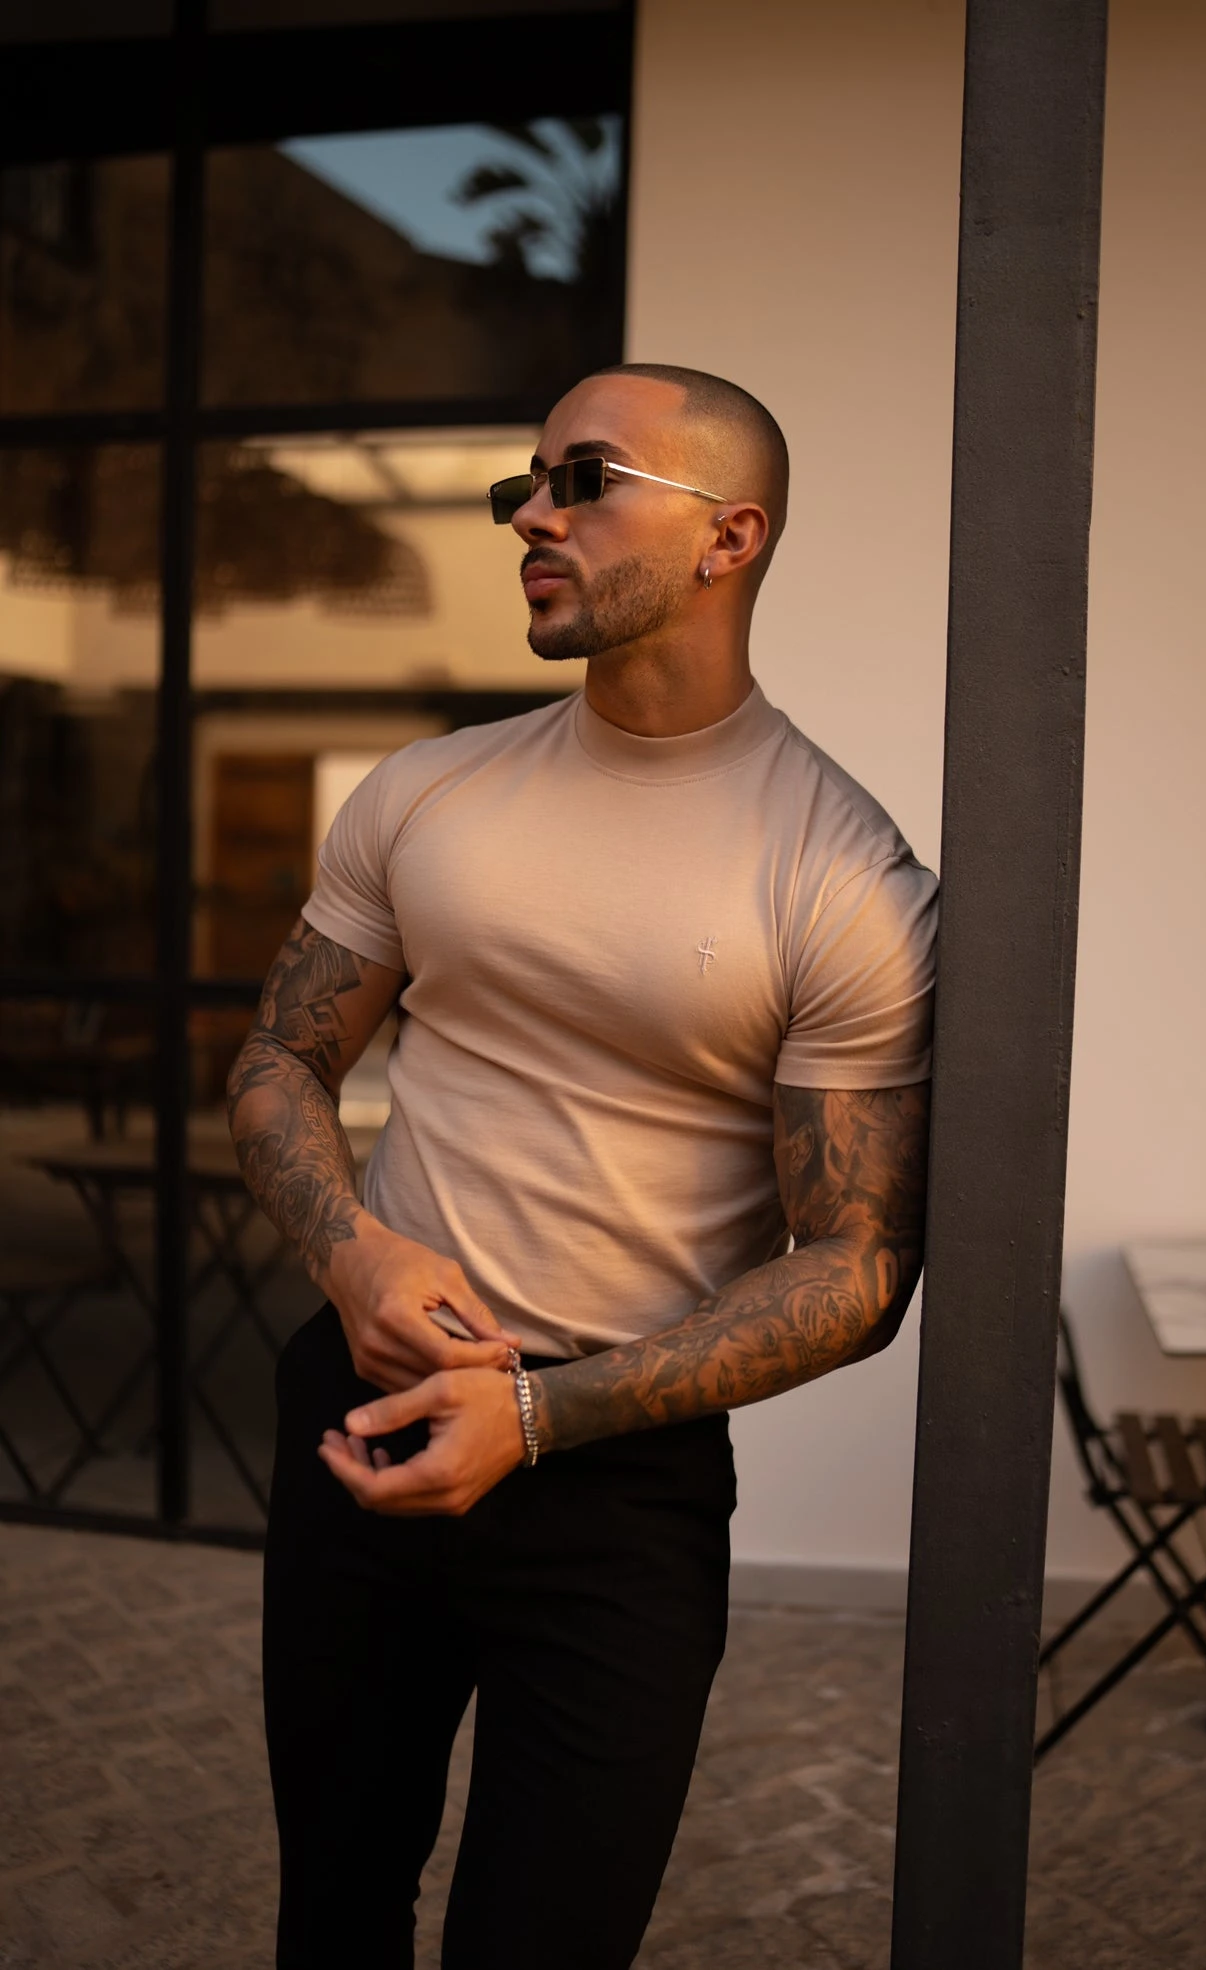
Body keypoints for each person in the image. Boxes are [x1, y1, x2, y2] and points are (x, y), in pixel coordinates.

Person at [228, 362, 938, 1970]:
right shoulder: (427, 791)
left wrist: (545, 1414)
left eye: (586, 480)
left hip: (618, 1485)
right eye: (526, 485)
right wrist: (351, 1252)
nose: (531, 518)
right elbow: (280, 1060)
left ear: (729, 536)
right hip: (362, 1405)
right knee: (332, 1910)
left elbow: (858, 1262)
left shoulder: (844, 874)